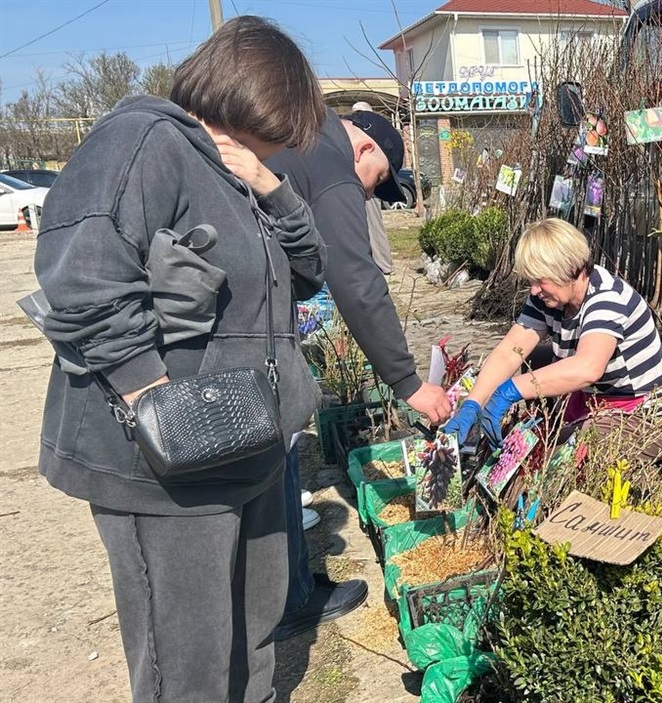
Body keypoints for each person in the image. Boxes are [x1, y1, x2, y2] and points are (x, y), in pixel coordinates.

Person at [34, 16, 325, 702]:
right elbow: (81, 272)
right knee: (186, 666)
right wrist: (151, 396)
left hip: (243, 444)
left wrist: (273, 187)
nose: (283, 142)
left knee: (251, 641)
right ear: (251, 92)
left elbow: (308, 273)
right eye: (281, 125)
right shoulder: (144, 138)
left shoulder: (239, 172)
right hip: (167, 469)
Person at [266, 100, 452, 640]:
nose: (370, 192)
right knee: (269, 440)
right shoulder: (330, 160)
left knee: (273, 447)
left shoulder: (302, 132)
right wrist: (409, 384)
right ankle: (287, 598)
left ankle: (289, 590)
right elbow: (356, 279)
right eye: (377, 180)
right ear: (364, 148)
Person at [442, 218, 662, 462]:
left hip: (654, 414)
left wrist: (509, 391)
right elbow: (511, 350)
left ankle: (643, 489)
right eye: (531, 280)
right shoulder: (548, 299)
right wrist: (474, 403)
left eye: (541, 280)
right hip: (603, 401)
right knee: (537, 427)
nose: (533, 290)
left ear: (571, 269)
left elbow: (587, 367)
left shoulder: (607, 299)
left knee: (572, 456)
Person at [350, 100, 397, 275]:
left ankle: (384, 264)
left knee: (374, 224)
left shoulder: (371, 133)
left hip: (366, 187)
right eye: (355, 113)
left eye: (360, 112)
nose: (357, 116)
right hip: (356, 187)